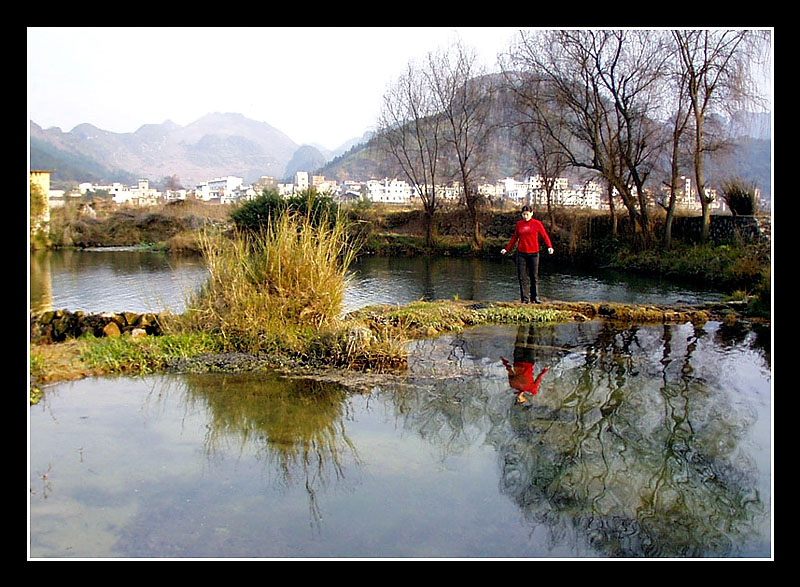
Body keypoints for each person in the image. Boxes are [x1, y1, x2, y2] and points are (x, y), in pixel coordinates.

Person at [501, 206, 554, 303]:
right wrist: (506, 249)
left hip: (534, 253)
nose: (525, 216)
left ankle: (535, 297)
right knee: (522, 277)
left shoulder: (537, 224)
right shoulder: (519, 224)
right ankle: (524, 298)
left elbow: (544, 236)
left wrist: (549, 246)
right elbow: (514, 238)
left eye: (527, 214)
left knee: (534, 276)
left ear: (532, 213)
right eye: (524, 214)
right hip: (521, 254)